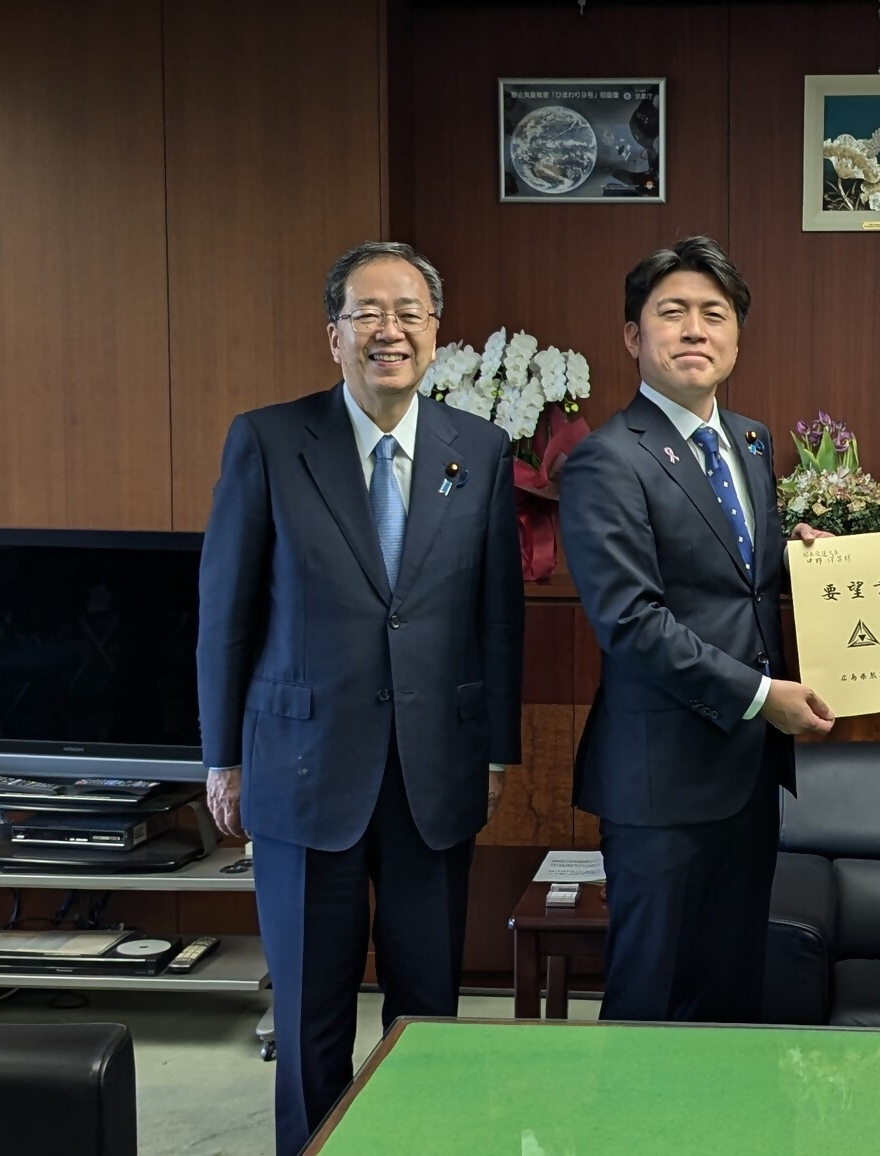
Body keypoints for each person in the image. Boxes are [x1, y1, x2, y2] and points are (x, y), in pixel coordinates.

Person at [196, 240, 524, 1155]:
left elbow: (497, 617)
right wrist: (222, 756)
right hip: (300, 773)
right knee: (310, 1014)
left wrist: (497, 748)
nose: (390, 330)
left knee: (429, 1011)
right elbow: (224, 612)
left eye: (409, 312)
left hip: (435, 772)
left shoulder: (480, 449)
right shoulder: (268, 439)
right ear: (332, 334)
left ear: (435, 333)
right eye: (368, 313)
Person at [560, 235, 834, 1024]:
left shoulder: (748, 441)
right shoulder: (606, 460)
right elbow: (631, 620)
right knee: (651, 1000)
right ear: (632, 337)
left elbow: (736, 574)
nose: (693, 330)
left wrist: (801, 556)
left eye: (712, 314)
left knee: (729, 995)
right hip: (661, 783)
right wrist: (760, 696)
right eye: (670, 313)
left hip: (746, 775)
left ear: (736, 337)